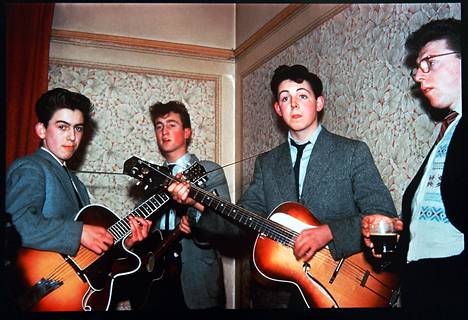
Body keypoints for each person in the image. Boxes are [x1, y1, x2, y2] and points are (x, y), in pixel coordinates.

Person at [168, 65, 397, 308]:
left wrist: (329, 232)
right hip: (276, 297)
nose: (294, 104)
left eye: (302, 95)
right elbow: (241, 224)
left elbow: (383, 216)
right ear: (278, 109)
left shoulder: (352, 152)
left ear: (319, 103)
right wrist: (197, 203)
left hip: (343, 290)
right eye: (285, 98)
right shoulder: (266, 163)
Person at [5, 88, 152, 309]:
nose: (72, 137)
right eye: (62, 127)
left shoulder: (76, 184)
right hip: (38, 288)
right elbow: (16, 225)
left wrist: (125, 243)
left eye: (78, 128)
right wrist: (79, 232)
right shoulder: (32, 167)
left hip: (71, 295)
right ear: (41, 130)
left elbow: (88, 252)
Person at [362, 18, 465, 309]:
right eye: (417, 68)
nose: (419, 77)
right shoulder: (448, 132)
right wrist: (398, 234)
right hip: (423, 286)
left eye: (428, 63)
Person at [137, 100, 240, 310]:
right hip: (154, 276)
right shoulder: (151, 177)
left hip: (196, 278)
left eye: (172, 124)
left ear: (187, 132)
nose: (164, 131)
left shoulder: (209, 171)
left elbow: (226, 225)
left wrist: (197, 221)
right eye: (159, 126)